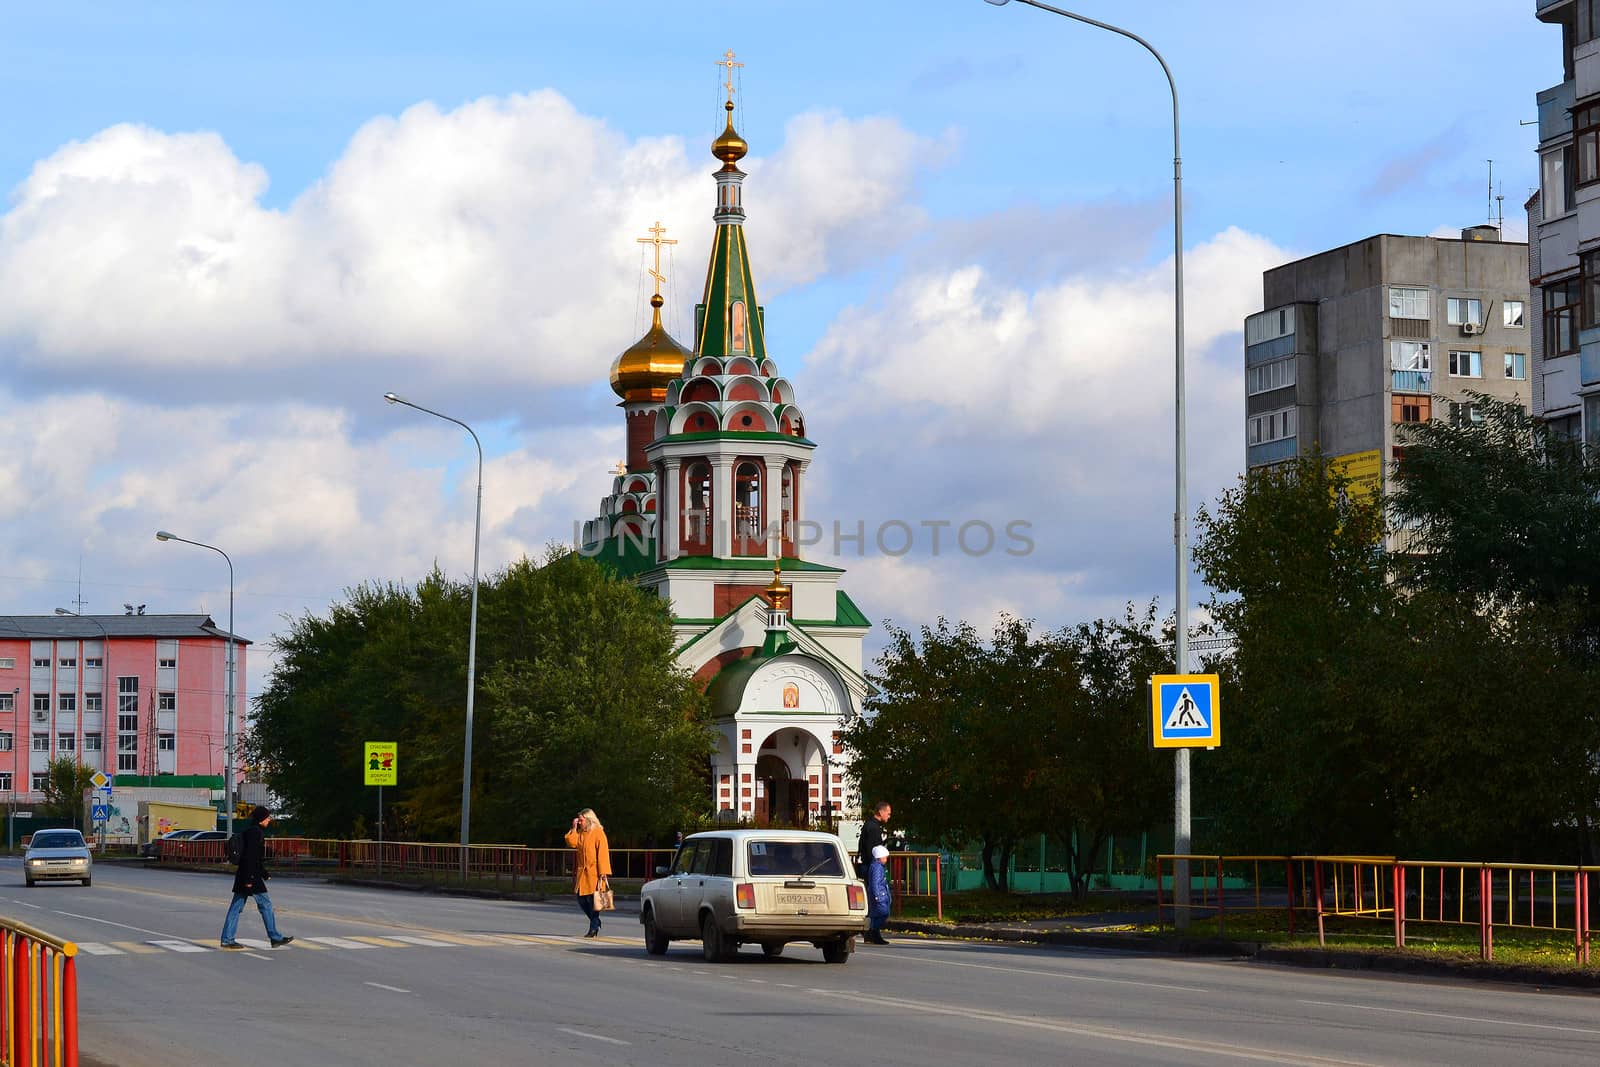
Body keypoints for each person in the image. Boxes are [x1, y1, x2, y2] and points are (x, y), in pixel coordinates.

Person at [220, 805, 293, 949]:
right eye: (267, 817)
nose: (269, 820)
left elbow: (255, 858)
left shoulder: (250, 831)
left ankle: (227, 939)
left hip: (247, 874)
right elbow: (250, 857)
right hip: (250, 876)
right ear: (261, 819)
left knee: (237, 907)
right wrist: (250, 879)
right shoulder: (255, 833)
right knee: (265, 905)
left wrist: (264, 873)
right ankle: (274, 937)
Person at [564, 808, 612, 938]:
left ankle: (593, 928)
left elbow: (602, 853)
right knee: (581, 899)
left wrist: (603, 872)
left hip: (595, 873)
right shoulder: (581, 833)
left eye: (581, 820)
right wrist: (573, 828)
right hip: (582, 873)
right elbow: (571, 842)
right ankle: (596, 922)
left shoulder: (598, 833)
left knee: (593, 901)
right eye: (578, 820)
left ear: (588, 819)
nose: (579, 822)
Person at [864, 844, 892, 945]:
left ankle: (871, 934)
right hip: (880, 895)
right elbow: (875, 883)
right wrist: (877, 896)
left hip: (880, 894)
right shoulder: (877, 867)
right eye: (885, 857)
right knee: (884, 913)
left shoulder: (876, 866)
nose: (886, 859)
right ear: (879, 857)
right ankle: (873, 933)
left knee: (875, 915)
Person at [856, 800, 891, 875]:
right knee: (875, 886)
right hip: (871, 867)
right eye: (888, 814)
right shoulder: (873, 827)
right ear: (881, 812)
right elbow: (871, 850)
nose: (889, 816)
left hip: (869, 866)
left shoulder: (870, 824)